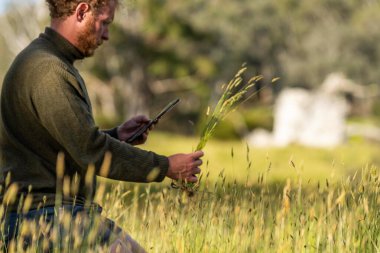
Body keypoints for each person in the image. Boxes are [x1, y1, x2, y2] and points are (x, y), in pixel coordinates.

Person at [0, 0, 203, 252]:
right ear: (82, 11)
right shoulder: (48, 70)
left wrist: (117, 136)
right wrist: (166, 167)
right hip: (46, 220)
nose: (106, 34)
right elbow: (90, 150)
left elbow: (67, 143)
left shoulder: (48, 62)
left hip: (53, 216)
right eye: (104, 23)